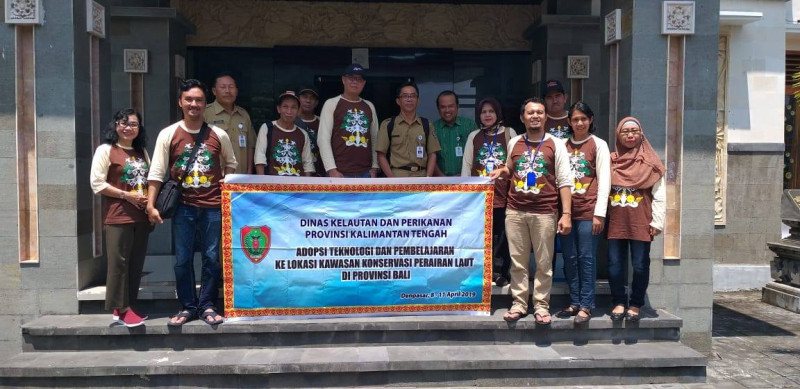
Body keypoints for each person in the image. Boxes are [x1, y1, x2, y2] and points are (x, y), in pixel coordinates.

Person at [146, 79, 237, 327]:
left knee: (211, 258)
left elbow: (231, 164)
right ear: (180, 102)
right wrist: (151, 205)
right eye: (189, 99)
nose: (194, 104)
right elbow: (156, 172)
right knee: (183, 259)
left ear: (205, 104)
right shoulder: (169, 134)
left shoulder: (219, 134)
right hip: (183, 206)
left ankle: (207, 305)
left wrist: (225, 187)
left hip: (213, 207)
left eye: (198, 100)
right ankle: (187, 306)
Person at [487, 97, 572, 325]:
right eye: (530, 112)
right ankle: (519, 304)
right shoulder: (515, 142)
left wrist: (566, 214)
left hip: (545, 212)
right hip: (515, 211)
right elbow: (510, 167)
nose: (535, 116)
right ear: (523, 117)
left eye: (539, 112)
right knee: (518, 262)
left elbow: (564, 180)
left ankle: (542, 306)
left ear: (545, 117)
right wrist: (501, 172)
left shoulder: (556, 144)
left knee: (544, 263)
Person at [90, 108, 151, 327]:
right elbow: (97, 184)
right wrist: (127, 195)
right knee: (119, 263)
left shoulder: (141, 151)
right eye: (124, 123)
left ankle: (127, 306)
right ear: (115, 125)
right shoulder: (106, 150)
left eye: (133, 124)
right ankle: (122, 309)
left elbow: (149, 181)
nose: (128, 127)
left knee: (135, 264)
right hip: (117, 216)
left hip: (141, 217)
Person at [554, 102, 611, 324]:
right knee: (569, 257)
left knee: (586, 257)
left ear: (591, 120)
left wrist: (600, 213)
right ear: (569, 122)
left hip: (589, 211)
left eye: (583, 119)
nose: (579, 123)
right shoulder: (561, 145)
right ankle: (574, 301)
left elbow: (605, 180)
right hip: (566, 211)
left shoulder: (599, 145)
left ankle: (587, 304)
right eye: (575, 119)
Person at [607, 117, 666, 322]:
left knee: (640, 264)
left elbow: (659, 194)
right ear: (618, 135)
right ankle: (618, 301)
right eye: (625, 131)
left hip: (641, 221)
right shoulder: (610, 160)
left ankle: (636, 303)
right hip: (615, 221)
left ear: (641, 134)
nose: (630, 135)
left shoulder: (651, 163)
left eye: (634, 131)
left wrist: (657, 222)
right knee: (614, 264)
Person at [461, 97, 516, 286]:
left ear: (497, 113)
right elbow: (467, 166)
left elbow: (514, 165)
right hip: (480, 197)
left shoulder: (509, 134)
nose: (487, 115)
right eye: (483, 112)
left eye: (491, 111)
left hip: (504, 195)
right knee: (482, 236)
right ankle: (483, 271)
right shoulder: (474, 136)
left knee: (503, 236)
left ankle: (501, 273)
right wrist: (466, 194)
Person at [317, 63, 380, 178]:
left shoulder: (369, 106)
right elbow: (323, 138)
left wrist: (375, 167)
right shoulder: (331, 104)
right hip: (339, 173)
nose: (355, 82)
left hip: (365, 173)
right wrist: (331, 169)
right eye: (351, 78)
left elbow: (375, 138)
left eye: (359, 79)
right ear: (343, 80)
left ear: (364, 83)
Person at [376, 81, 441, 177]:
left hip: (421, 177)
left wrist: (427, 178)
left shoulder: (427, 124)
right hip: (397, 176)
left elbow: (432, 154)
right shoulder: (388, 124)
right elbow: (381, 155)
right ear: (398, 101)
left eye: (413, 96)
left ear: (418, 100)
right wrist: (392, 180)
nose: (409, 99)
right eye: (405, 96)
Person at [204, 72, 255, 174]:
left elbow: (250, 146)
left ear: (236, 91)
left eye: (231, 87)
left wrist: (249, 171)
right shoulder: (205, 113)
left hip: (241, 176)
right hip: (216, 176)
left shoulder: (243, 114)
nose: (227, 91)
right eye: (223, 87)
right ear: (214, 91)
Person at [254, 91, 315, 176]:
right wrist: (262, 182)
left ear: (298, 110)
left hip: (297, 185)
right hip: (272, 184)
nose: (289, 111)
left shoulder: (302, 134)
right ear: (278, 109)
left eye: (293, 107)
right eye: (285, 107)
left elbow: (307, 164)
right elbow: (260, 158)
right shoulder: (267, 128)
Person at [433, 90, 477, 176]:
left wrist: (465, 175)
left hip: (467, 180)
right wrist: (443, 179)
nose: (447, 110)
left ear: (457, 106)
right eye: (443, 107)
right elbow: (430, 157)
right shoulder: (433, 128)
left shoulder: (469, 125)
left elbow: (478, 153)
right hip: (441, 183)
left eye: (451, 106)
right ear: (438, 109)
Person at [295, 87, 324, 176]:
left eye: (312, 98)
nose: (308, 100)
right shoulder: (289, 121)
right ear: (298, 99)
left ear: (316, 102)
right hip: (294, 173)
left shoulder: (322, 122)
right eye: (305, 97)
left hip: (318, 174)